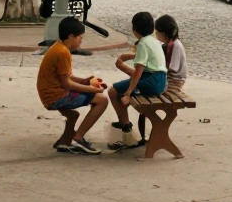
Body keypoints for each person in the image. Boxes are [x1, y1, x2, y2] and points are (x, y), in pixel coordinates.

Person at [37, 16, 109, 155]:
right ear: (70, 36)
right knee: (102, 100)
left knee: (73, 115)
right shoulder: (63, 52)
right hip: (56, 96)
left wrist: (84, 81)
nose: (81, 40)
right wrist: (92, 89)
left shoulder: (57, 47)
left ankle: (65, 141)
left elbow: (65, 76)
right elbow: (67, 84)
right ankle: (78, 138)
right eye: (79, 37)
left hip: (48, 94)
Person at [107, 11, 167, 150]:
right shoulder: (152, 41)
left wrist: (128, 92)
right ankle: (124, 120)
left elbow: (139, 70)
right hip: (159, 80)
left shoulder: (142, 44)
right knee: (122, 88)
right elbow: (142, 64)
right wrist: (126, 59)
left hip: (151, 81)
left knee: (113, 91)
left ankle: (126, 130)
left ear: (134, 29)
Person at [134, 15, 188, 147]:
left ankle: (154, 136)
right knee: (142, 95)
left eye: (156, 32)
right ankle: (144, 136)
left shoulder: (175, 45)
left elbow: (172, 69)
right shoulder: (169, 44)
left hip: (173, 82)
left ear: (162, 33)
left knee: (144, 95)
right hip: (168, 79)